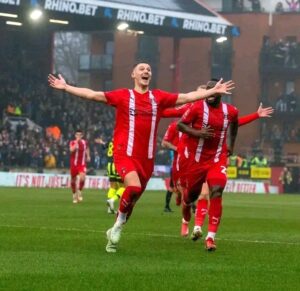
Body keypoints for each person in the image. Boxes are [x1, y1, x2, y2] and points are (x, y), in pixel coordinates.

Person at [48, 63, 234, 253]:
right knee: (133, 187)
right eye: (142, 69)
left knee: (133, 201)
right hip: (124, 154)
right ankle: (118, 226)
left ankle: (113, 230)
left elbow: (187, 97)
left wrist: (212, 90)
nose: (146, 71)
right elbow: (93, 94)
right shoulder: (123, 96)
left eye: (149, 69)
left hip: (147, 159)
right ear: (133, 74)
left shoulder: (158, 98)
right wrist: (66, 87)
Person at [191, 103, 274, 242]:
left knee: (214, 193)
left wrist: (256, 115)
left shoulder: (222, 116)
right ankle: (196, 226)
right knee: (202, 194)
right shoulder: (197, 114)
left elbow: (236, 123)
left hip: (218, 158)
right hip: (199, 158)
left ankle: (209, 234)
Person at [176, 79, 239, 251]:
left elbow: (235, 124)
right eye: (208, 89)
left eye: (214, 88)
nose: (210, 91)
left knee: (217, 190)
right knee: (191, 196)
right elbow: (180, 125)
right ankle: (186, 206)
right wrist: (197, 133)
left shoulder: (230, 111)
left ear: (220, 92)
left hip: (217, 159)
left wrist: (231, 145)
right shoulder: (196, 108)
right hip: (196, 161)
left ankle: (210, 238)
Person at [69, 129, 90, 203]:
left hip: (82, 164)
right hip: (74, 164)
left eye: (80, 135)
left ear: (82, 136)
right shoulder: (72, 142)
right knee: (73, 180)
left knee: (82, 178)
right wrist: (77, 142)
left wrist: (88, 156)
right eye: (77, 135)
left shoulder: (85, 142)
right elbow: (71, 150)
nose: (78, 136)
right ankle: (74, 194)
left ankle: (79, 191)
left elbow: (87, 148)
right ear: (75, 136)